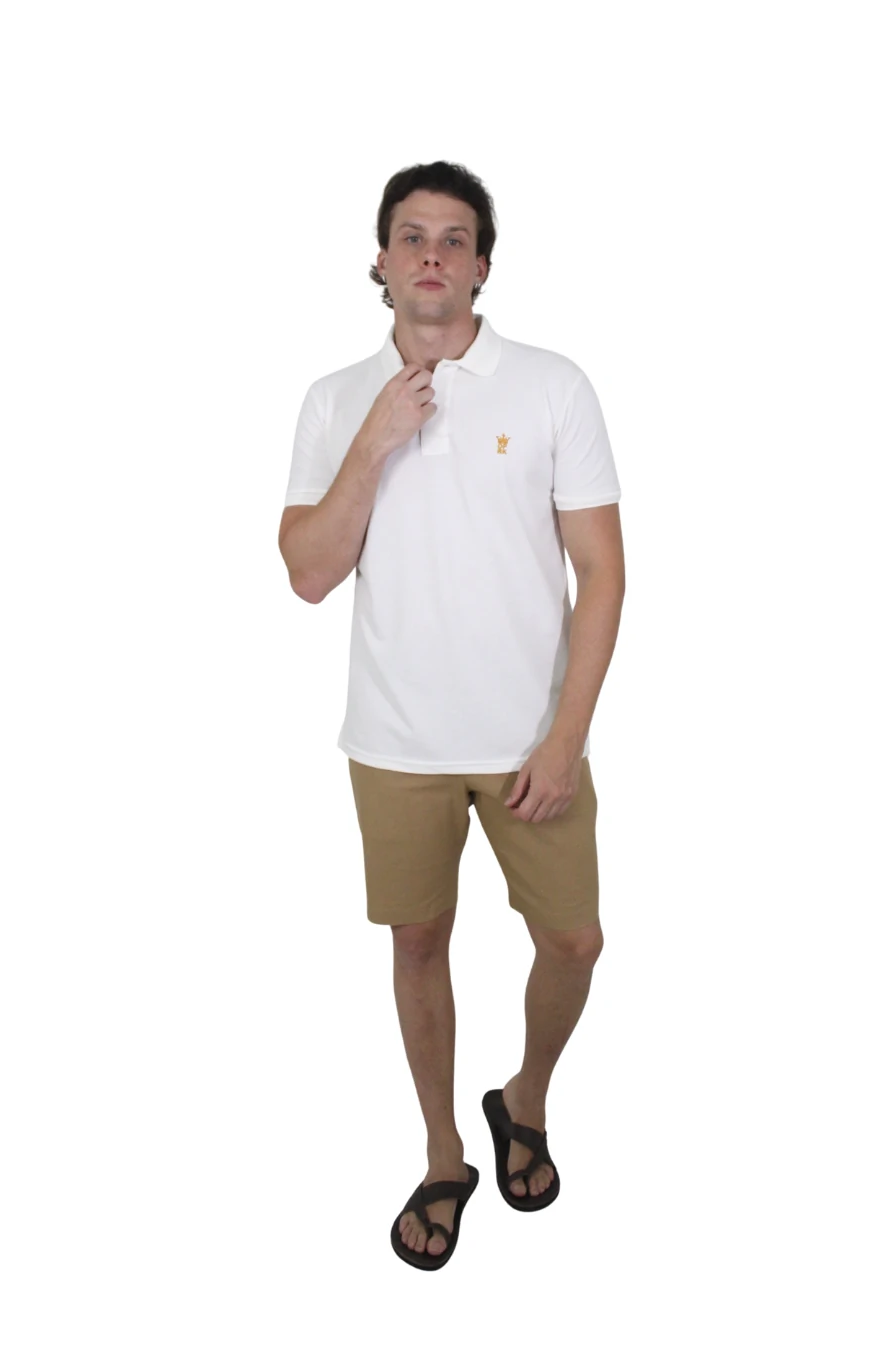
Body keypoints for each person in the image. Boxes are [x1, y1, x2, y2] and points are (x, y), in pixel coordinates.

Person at [278, 161, 625, 1270]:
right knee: (419, 941)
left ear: (481, 266)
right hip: (397, 744)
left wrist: (565, 738)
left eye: (455, 238)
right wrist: (376, 439)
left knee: (574, 940)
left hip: (533, 741)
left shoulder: (554, 386)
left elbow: (602, 573)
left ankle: (524, 1097)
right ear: (380, 263)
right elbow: (308, 574)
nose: (432, 254)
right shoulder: (334, 400)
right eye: (412, 236)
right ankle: (443, 1154)